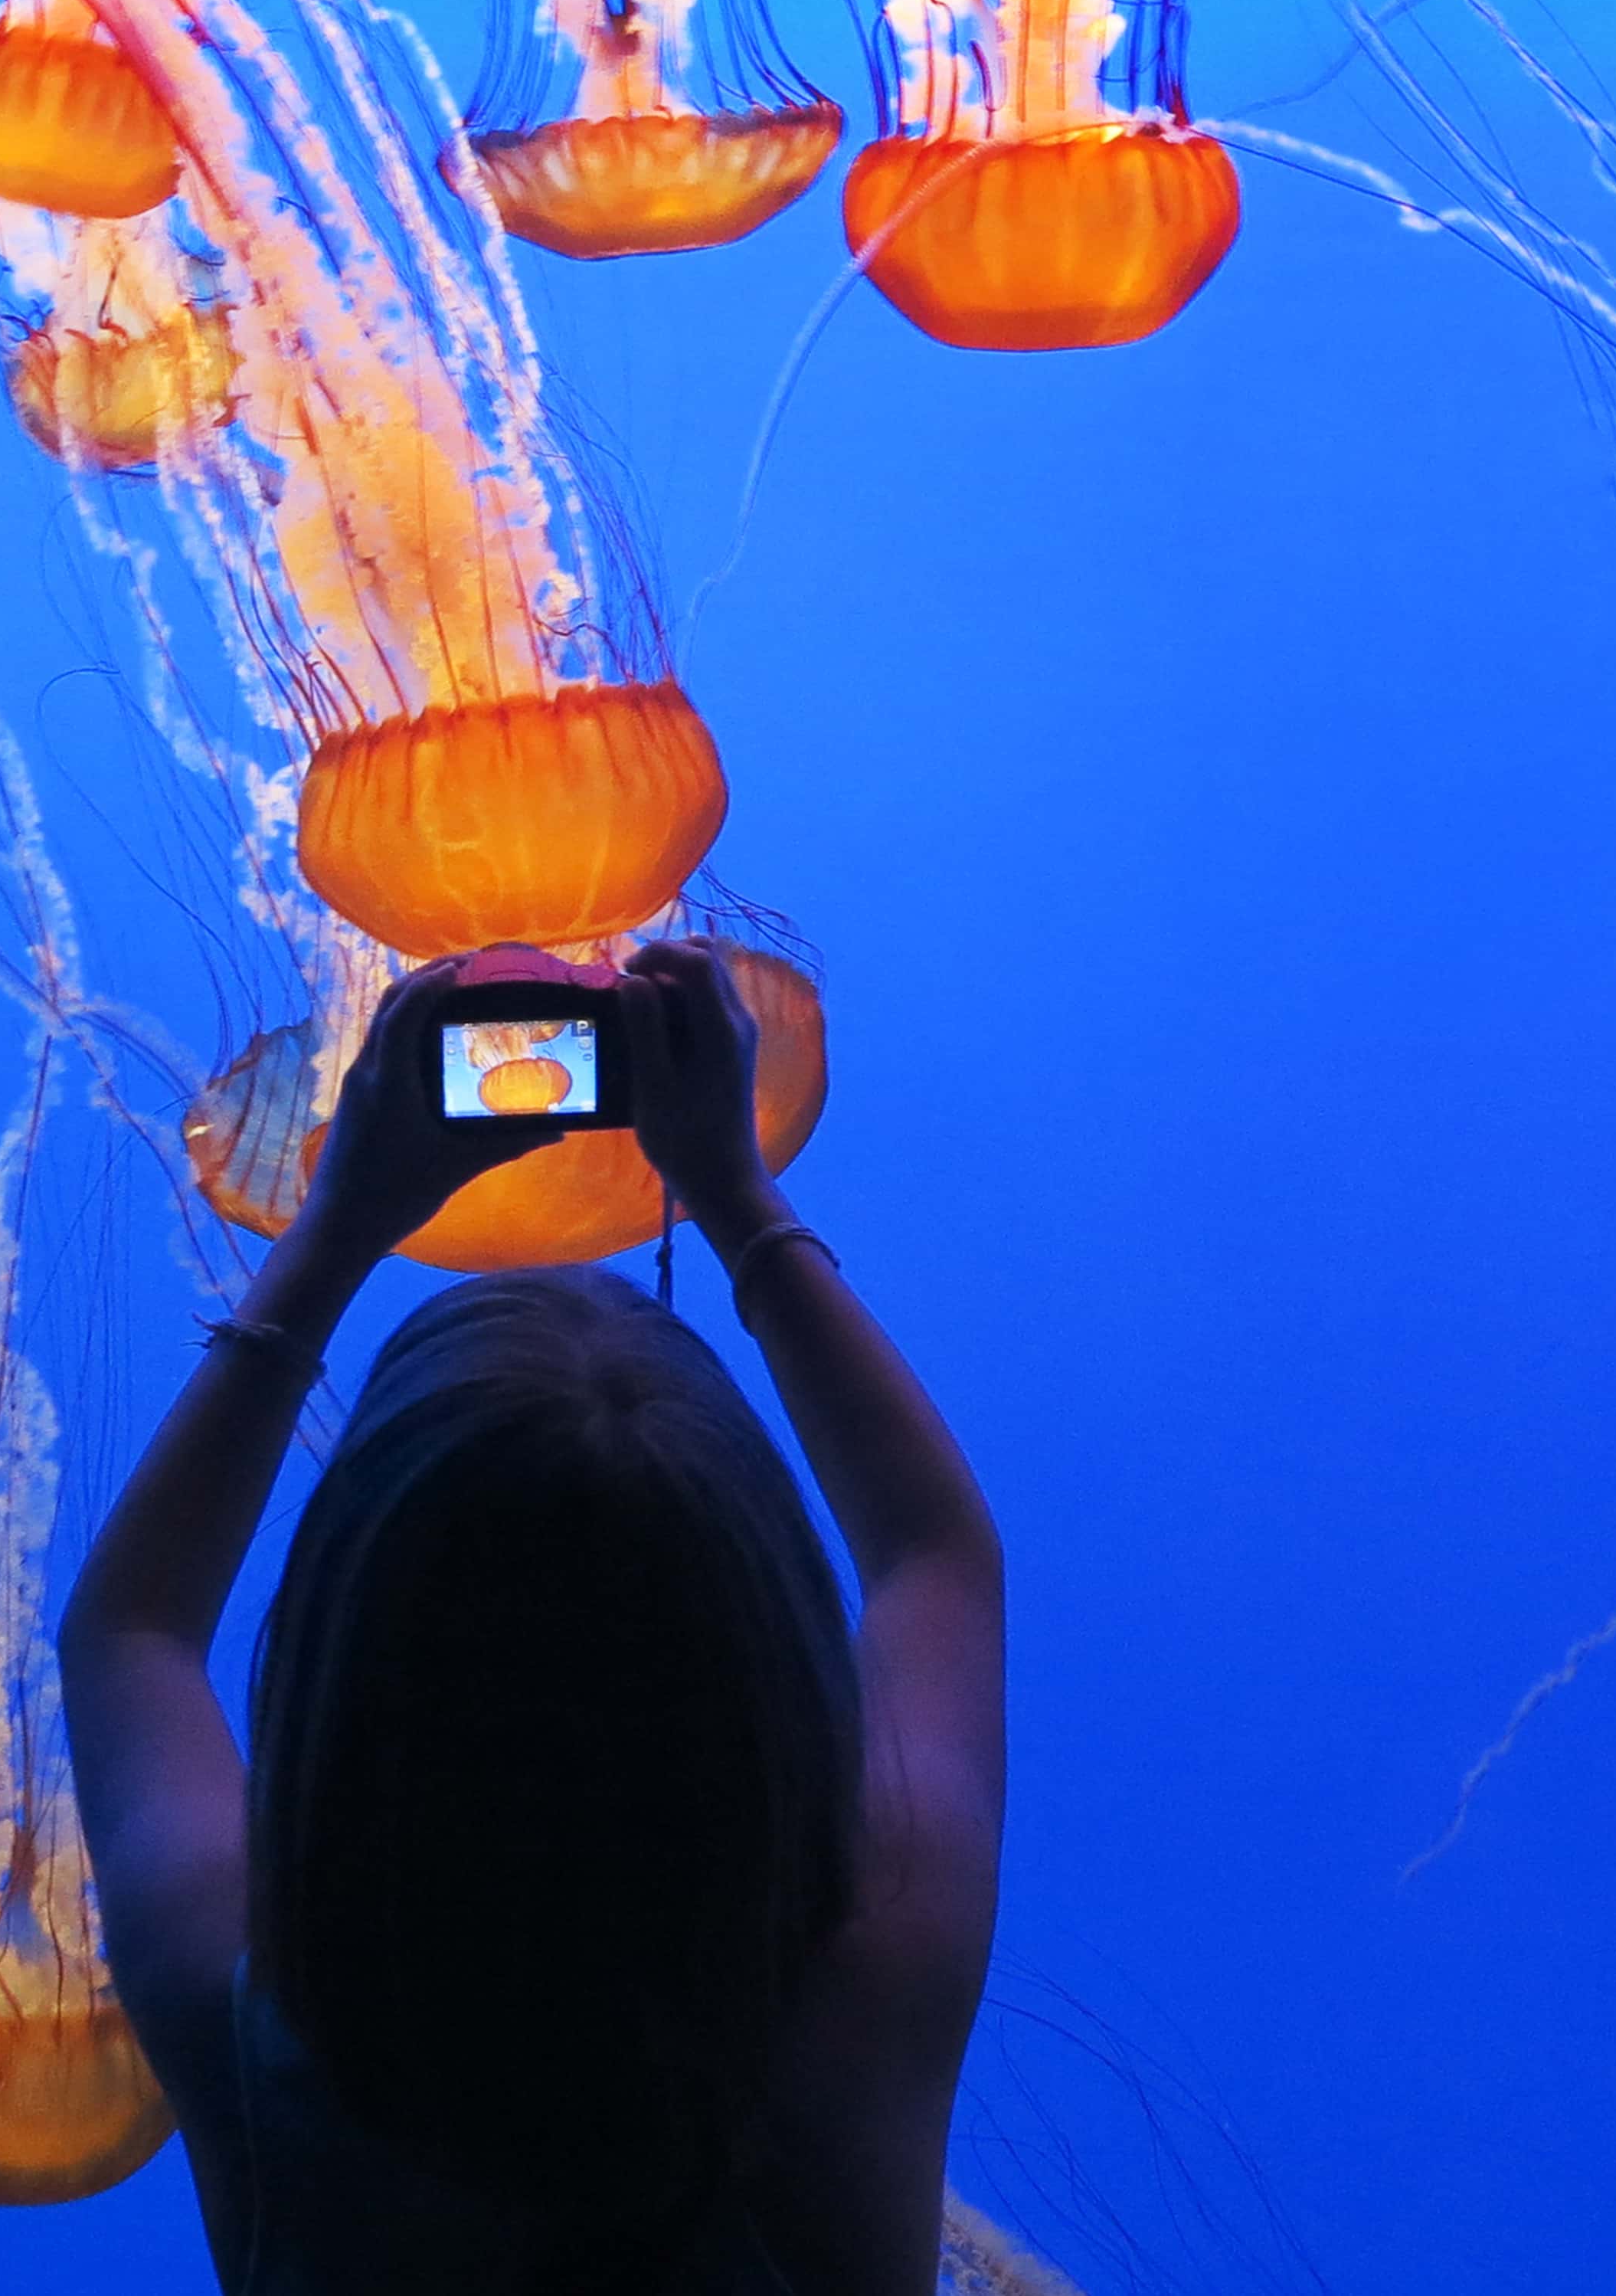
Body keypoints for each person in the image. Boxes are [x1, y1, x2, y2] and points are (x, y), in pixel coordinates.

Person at [63, 938, 1006, 2296]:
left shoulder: (250, 2022)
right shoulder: (881, 1960)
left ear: (351, 1654)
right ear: (766, 1660)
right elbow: (938, 1553)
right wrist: (737, 1200)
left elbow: (124, 1632)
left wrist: (337, 1226)